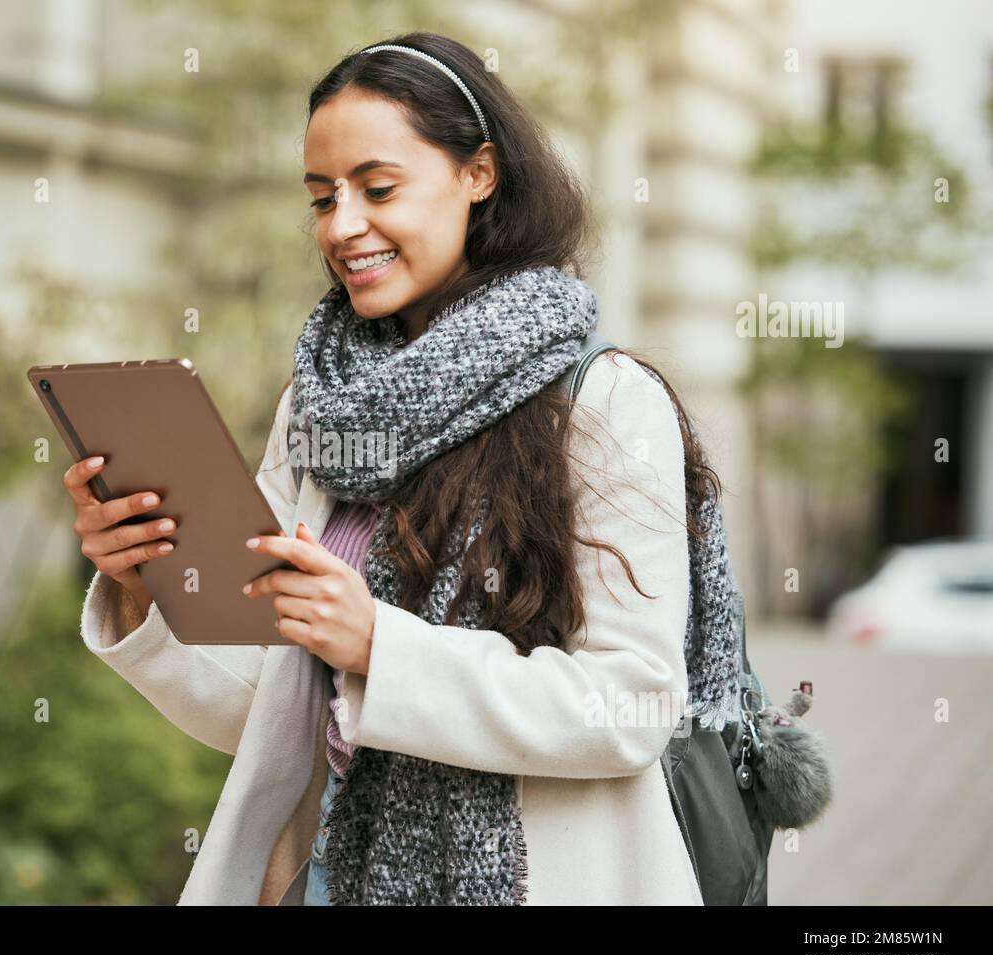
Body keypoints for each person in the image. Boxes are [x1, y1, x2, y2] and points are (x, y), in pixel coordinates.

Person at [68, 31, 748, 905]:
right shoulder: (321, 402)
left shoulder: (604, 402)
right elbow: (272, 710)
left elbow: (635, 706)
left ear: (479, 174)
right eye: (322, 197)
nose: (343, 226)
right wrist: (140, 584)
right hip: (324, 875)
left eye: (377, 188)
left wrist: (379, 648)